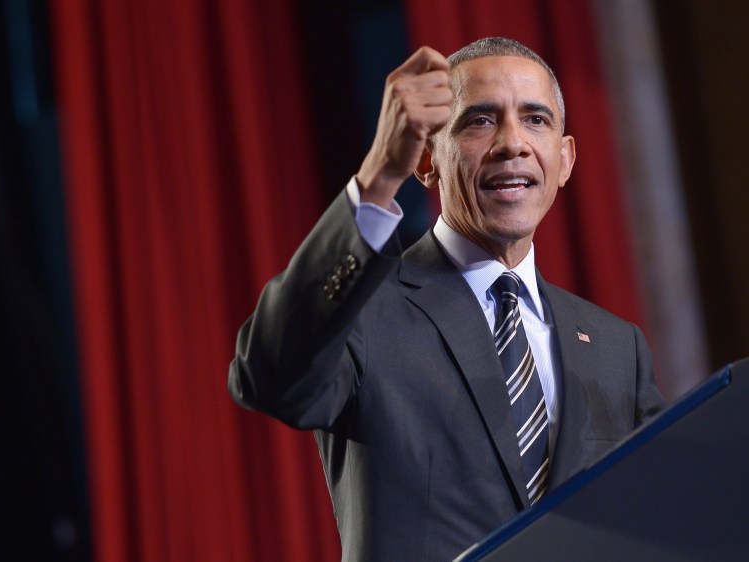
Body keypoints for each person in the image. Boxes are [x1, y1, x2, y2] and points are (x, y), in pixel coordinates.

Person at [228, 37, 664, 561]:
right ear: (427, 160)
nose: (512, 143)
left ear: (565, 159)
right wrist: (377, 178)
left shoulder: (618, 348)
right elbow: (269, 377)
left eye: (535, 120)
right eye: (480, 121)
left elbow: (656, 517)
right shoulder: (363, 312)